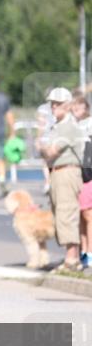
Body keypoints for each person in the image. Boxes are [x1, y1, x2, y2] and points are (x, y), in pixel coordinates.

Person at [37, 87, 84, 272]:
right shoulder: (57, 126)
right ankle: (70, 257)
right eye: (52, 103)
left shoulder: (69, 126)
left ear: (67, 105)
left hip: (67, 172)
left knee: (67, 214)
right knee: (60, 214)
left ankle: (72, 259)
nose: (53, 107)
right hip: (57, 171)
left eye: (57, 103)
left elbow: (50, 151)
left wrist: (41, 147)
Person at [72, 93, 92, 268]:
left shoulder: (89, 125)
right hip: (78, 175)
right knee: (80, 215)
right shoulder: (74, 125)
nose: (74, 111)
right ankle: (84, 251)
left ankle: (90, 252)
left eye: (77, 108)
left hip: (88, 175)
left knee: (88, 215)